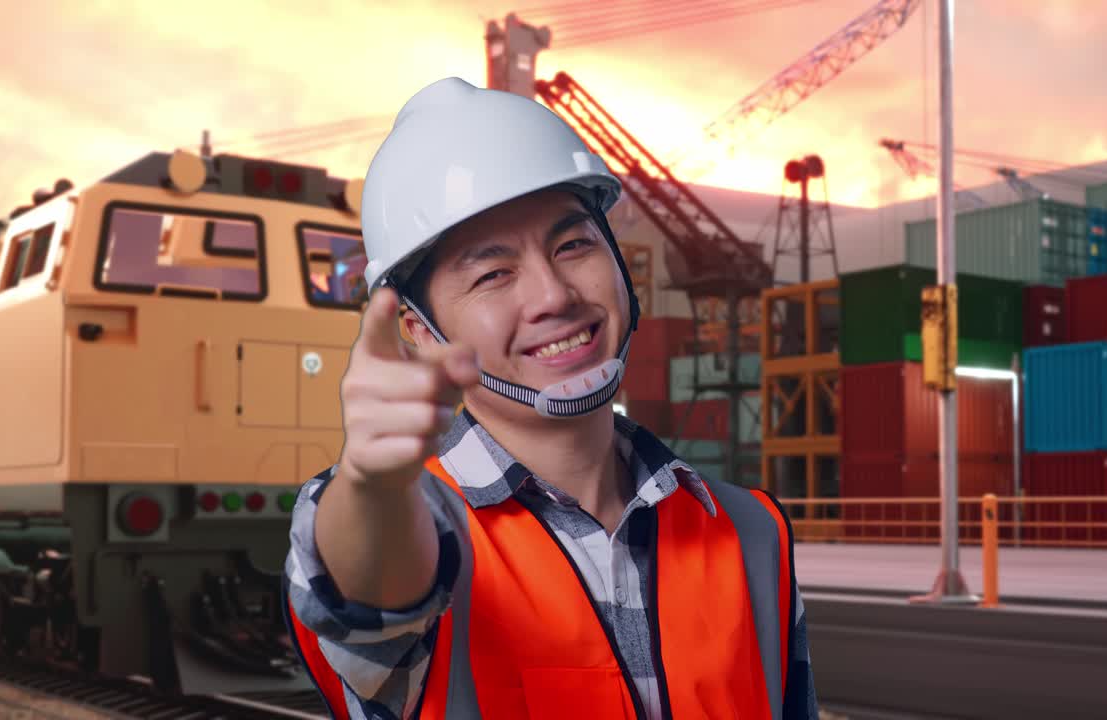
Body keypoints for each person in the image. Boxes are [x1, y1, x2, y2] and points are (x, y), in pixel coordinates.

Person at [282, 76, 819, 720]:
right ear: (422, 331)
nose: (555, 295)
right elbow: (370, 587)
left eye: (574, 245)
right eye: (493, 274)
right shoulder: (413, 524)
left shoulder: (751, 532)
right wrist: (372, 482)